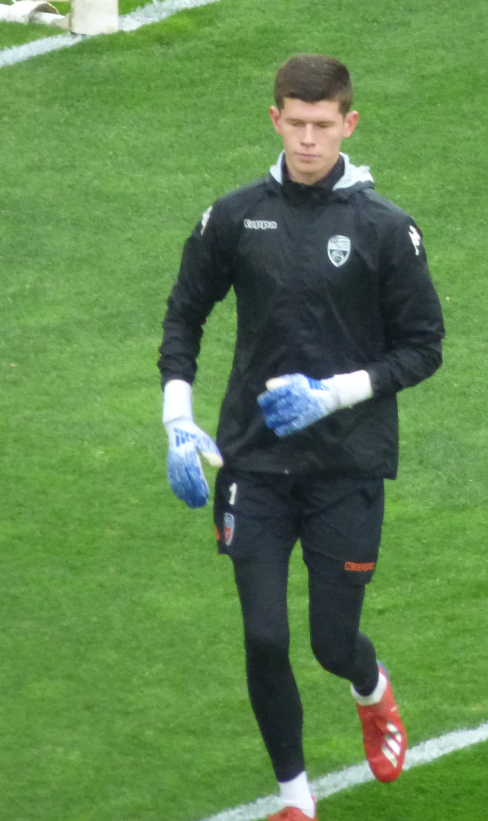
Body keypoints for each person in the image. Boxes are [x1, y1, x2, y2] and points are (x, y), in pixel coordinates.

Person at [158, 54, 445, 821]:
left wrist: (332, 395)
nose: (309, 139)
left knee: (328, 640)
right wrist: (176, 417)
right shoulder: (234, 216)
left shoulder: (385, 229)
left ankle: (370, 688)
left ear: (348, 124)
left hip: (346, 464)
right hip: (253, 460)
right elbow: (185, 313)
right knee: (261, 636)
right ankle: (294, 797)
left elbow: (423, 346)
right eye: (296, 123)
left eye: (323, 125)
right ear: (275, 120)